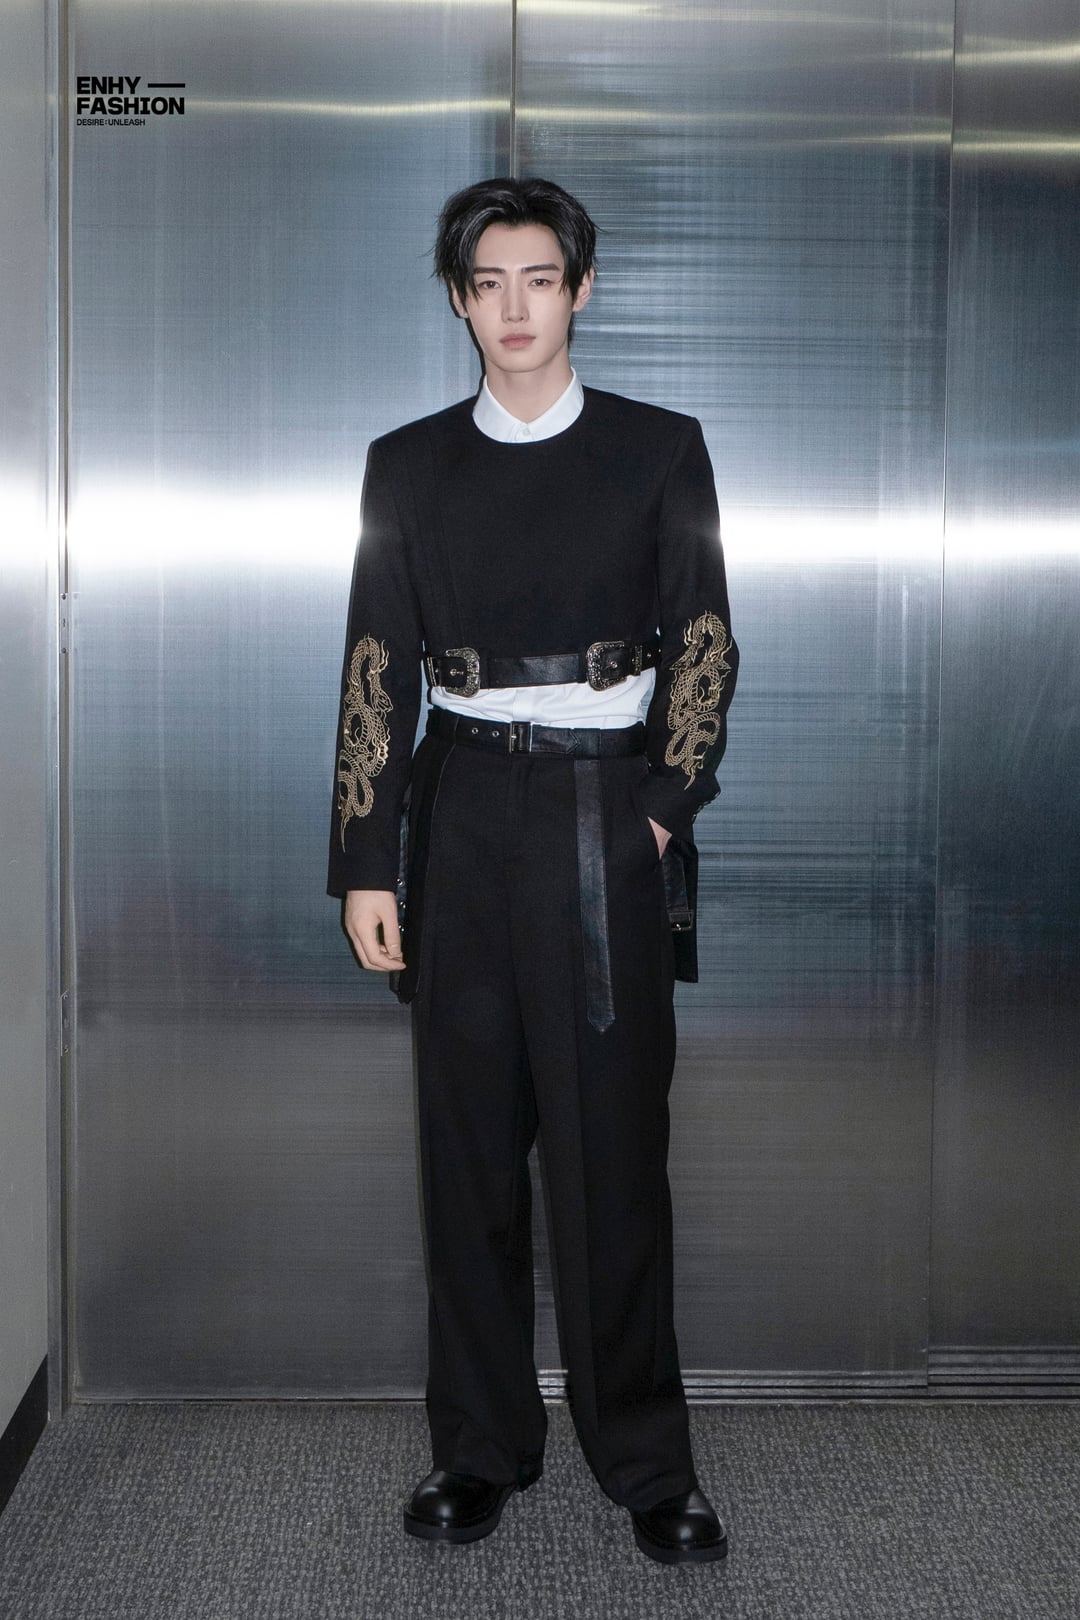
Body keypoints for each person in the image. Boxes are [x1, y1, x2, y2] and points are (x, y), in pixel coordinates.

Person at [327, 176, 738, 1565]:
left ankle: (649, 1462)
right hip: (458, 820)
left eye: (540, 279)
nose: (515, 307)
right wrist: (367, 860)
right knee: (468, 1156)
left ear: (580, 291)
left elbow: (704, 642)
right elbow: (376, 664)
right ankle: (479, 1448)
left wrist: (661, 810)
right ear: (459, 299)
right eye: (489, 282)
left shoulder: (659, 450)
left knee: (613, 1156)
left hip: (601, 816)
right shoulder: (407, 465)